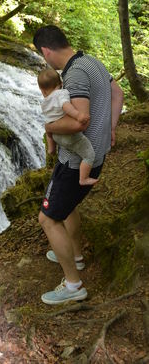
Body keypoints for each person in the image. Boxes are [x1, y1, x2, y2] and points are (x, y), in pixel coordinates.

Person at [33, 25, 123, 305]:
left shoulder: (73, 75)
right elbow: (118, 94)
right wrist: (110, 128)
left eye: (42, 55)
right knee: (68, 208)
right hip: (92, 155)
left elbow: (79, 120)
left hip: (76, 162)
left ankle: (73, 286)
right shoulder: (90, 62)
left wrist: (48, 126)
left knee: (47, 218)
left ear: (46, 51)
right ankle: (77, 256)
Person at [38, 68, 98, 186]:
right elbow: (66, 106)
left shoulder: (45, 102)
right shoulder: (61, 93)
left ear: (43, 91)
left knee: (49, 124)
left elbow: (49, 120)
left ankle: (51, 149)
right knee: (89, 155)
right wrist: (78, 115)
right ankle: (83, 178)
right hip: (69, 135)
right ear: (60, 84)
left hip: (55, 136)